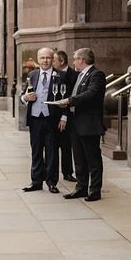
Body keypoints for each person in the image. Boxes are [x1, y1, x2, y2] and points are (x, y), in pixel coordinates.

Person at [53, 47, 106, 202]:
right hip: (76, 123)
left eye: (75, 58)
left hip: (89, 124)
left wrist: (69, 101)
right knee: (79, 159)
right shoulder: (79, 75)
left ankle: (95, 190)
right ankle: (81, 188)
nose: (73, 60)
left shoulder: (96, 74)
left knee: (92, 159)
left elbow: (91, 94)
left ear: (82, 60)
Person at [20, 48, 65, 194]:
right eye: (42, 58)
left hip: (52, 119)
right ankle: (36, 181)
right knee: (36, 151)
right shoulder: (32, 75)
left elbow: (66, 97)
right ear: (38, 59)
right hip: (35, 119)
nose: (45, 61)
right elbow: (22, 95)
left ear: (53, 59)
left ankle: (52, 182)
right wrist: (26, 98)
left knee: (52, 151)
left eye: (48, 58)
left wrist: (64, 116)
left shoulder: (60, 76)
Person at [53, 50, 78, 182]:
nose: (52, 63)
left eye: (54, 60)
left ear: (62, 62)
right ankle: (50, 172)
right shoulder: (52, 74)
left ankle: (67, 172)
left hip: (67, 117)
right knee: (51, 146)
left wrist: (64, 116)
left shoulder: (75, 76)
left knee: (66, 146)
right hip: (52, 116)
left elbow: (71, 97)